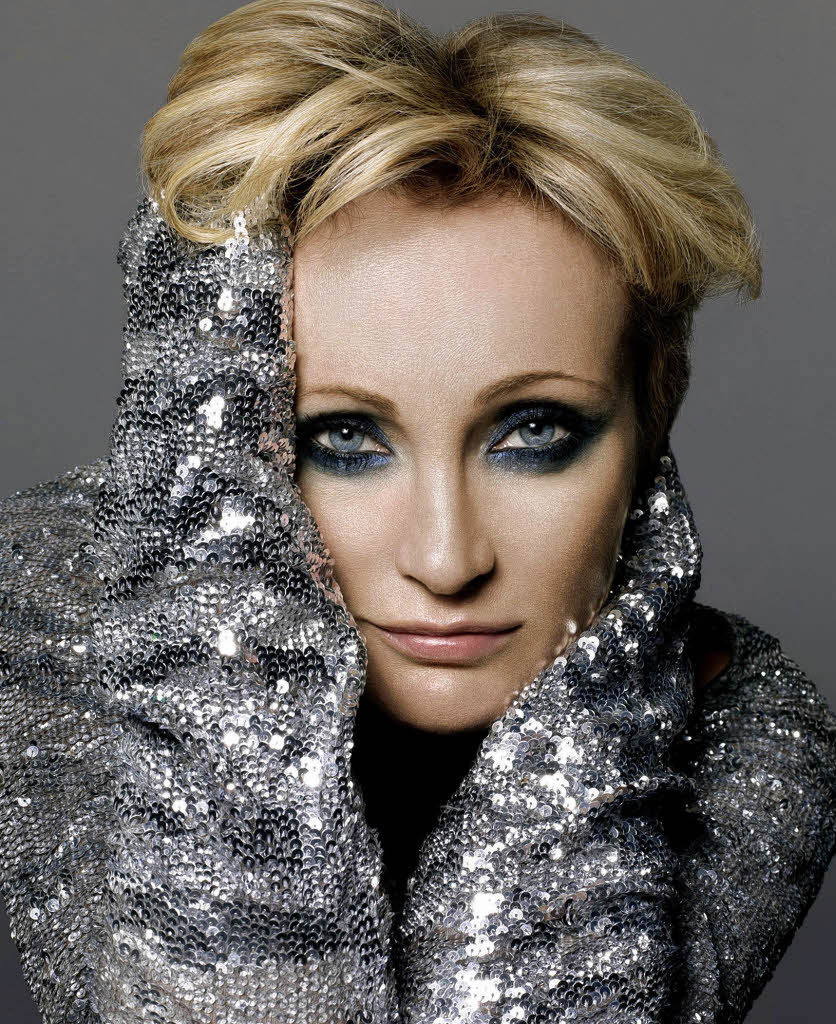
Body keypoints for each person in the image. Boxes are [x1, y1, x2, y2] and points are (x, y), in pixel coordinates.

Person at [0, 2, 833, 1023]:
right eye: (344, 439)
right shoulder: (54, 629)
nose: (446, 559)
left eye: (533, 432)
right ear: (220, 436)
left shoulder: (747, 733)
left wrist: (597, 717)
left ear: (647, 434)